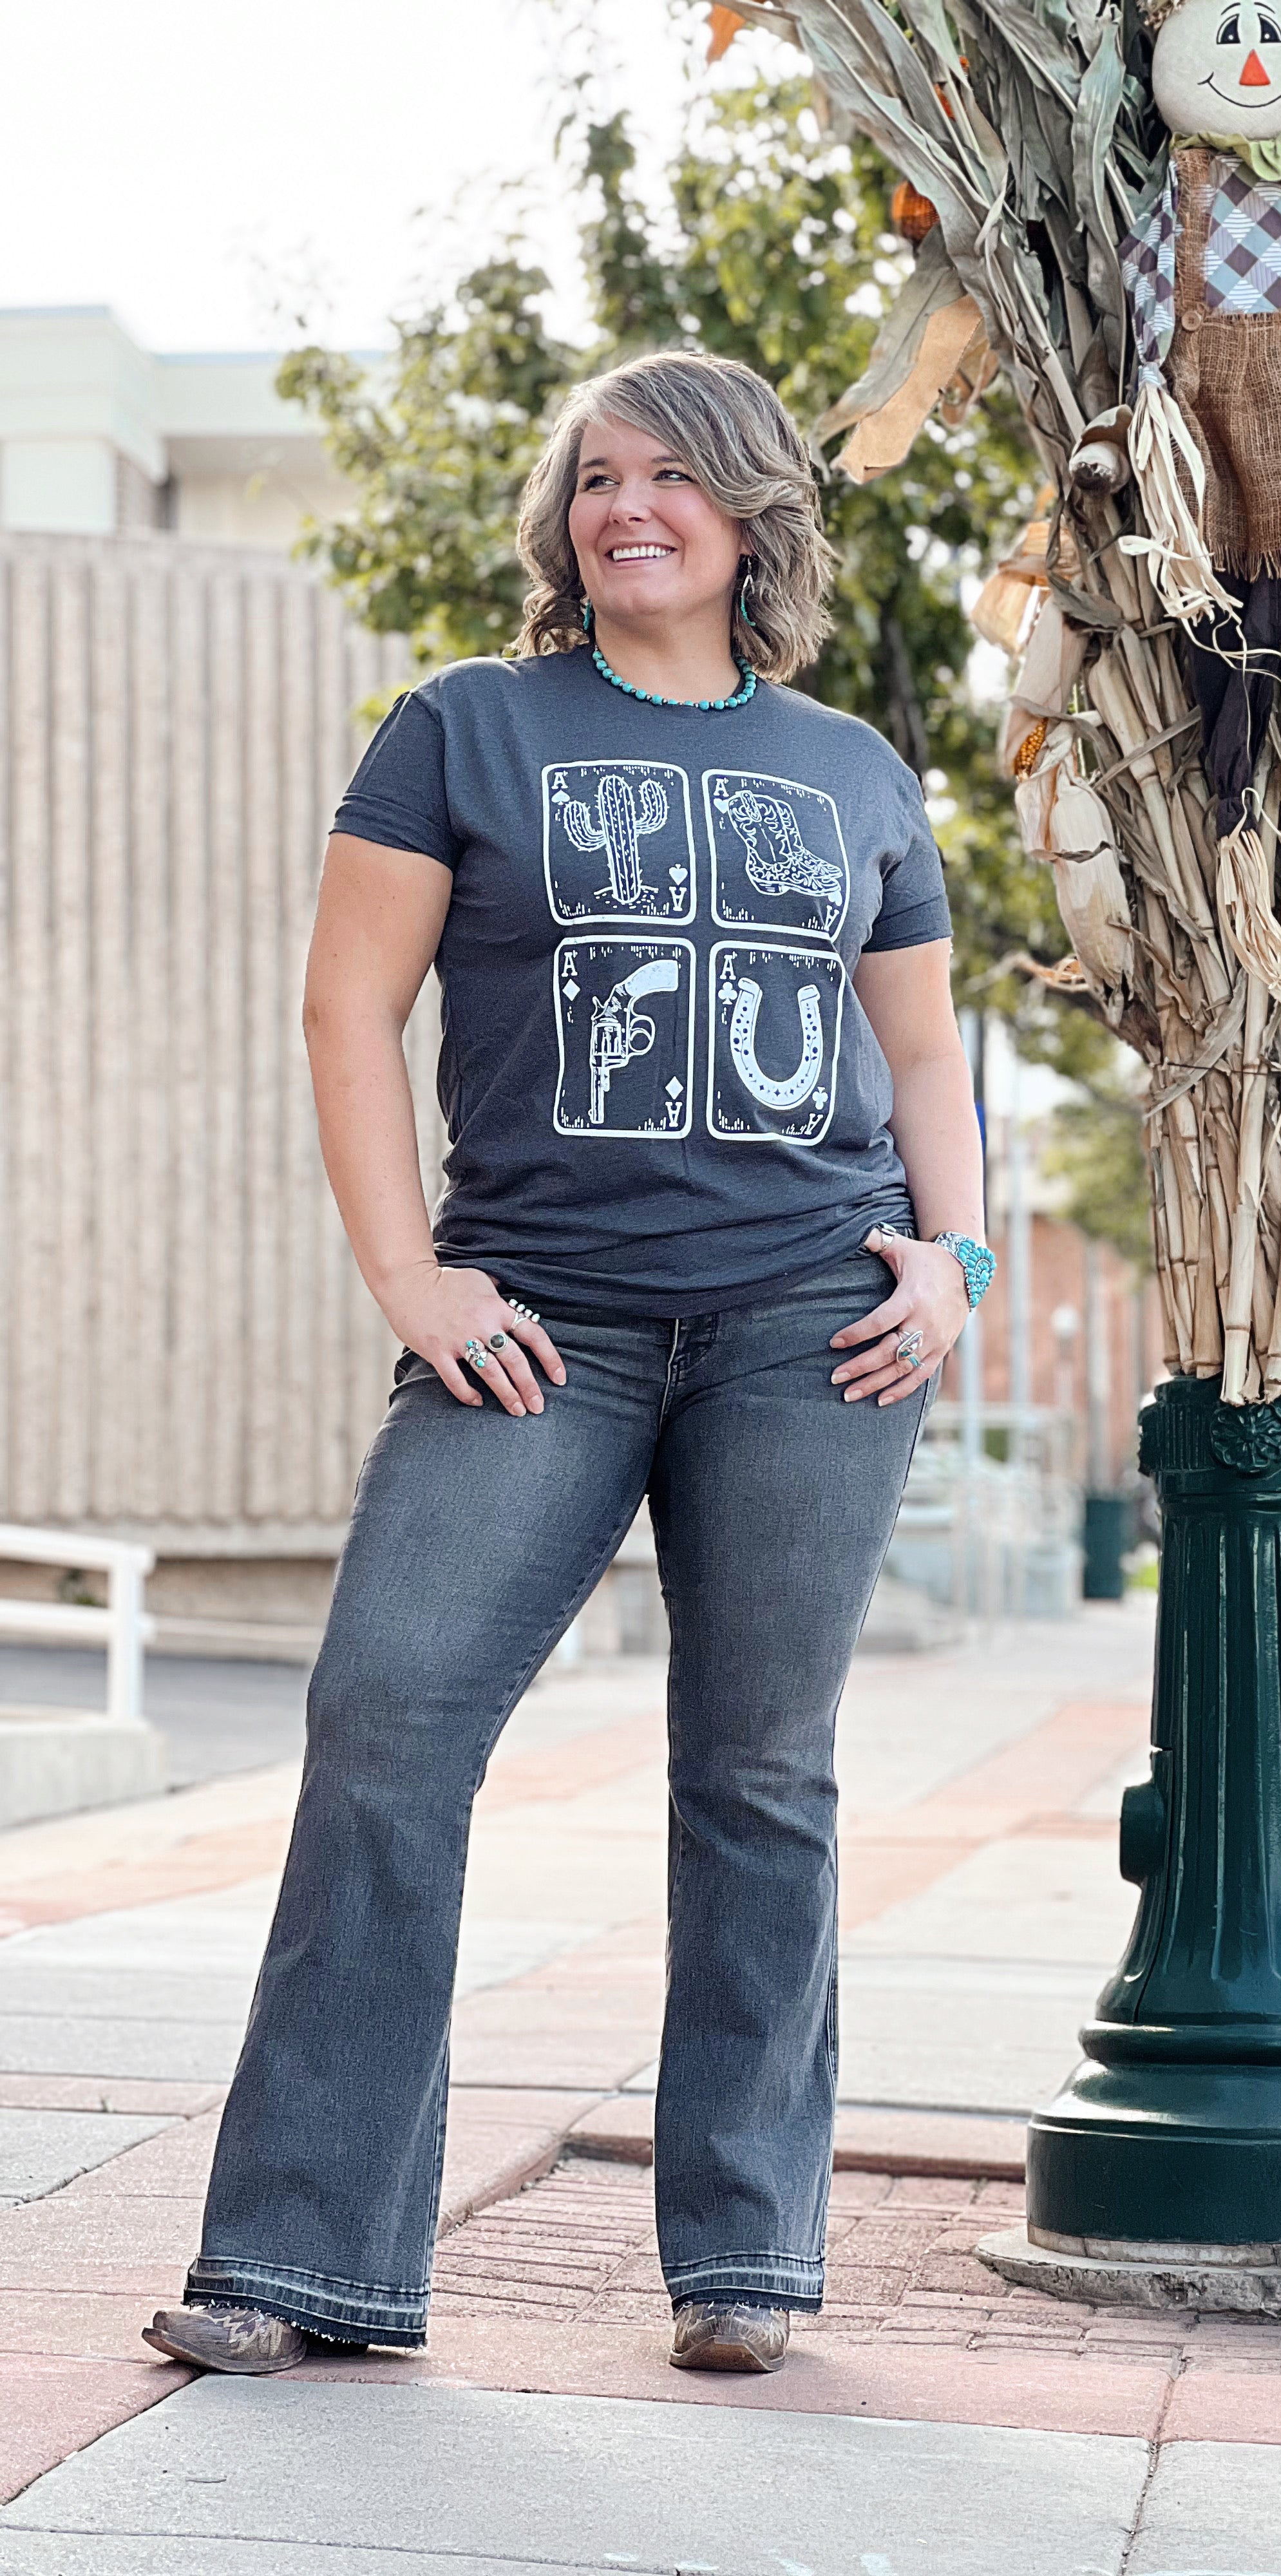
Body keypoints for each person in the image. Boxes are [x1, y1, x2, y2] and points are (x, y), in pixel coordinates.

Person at [142, 350, 992, 2382]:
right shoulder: (464, 728)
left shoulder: (858, 767)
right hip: (540, 1329)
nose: (628, 507)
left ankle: (745, 2262)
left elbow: (929, 1051)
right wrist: (409, 1276)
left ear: (750, 515)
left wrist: (955, 1256)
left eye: (670, 477)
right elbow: (348, 1016)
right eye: (597, 480)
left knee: (760, 1774)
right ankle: (305, 2259)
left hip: (814, 1326)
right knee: (386, 1727)